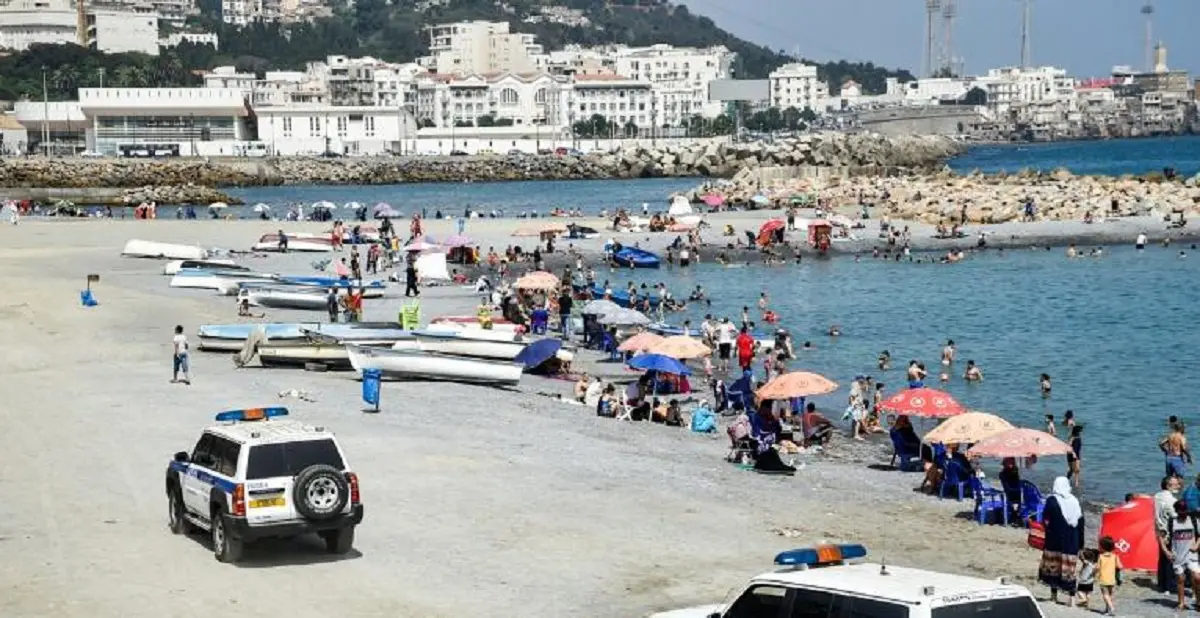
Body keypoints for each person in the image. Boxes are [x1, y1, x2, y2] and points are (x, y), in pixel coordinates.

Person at [1038, 477, 1084, 605]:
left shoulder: (1052, 500)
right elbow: (1080, 522)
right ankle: (1071, 599)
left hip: (1054, 539)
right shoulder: (1074, 501)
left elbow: (1045, 518)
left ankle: (1053, 596)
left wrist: (1047, 529)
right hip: (1071, 540)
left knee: (1053, 568)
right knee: (1069, 570)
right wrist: (1080, 543)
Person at [1163, 500, 1200, 611]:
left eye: (1185, 510)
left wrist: (1196, 546)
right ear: (1176, 511)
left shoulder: (1193, 520)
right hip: (1177, 555)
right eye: (1181, 511)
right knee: (1180, 580)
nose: (1184, 513)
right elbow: (1161, 536)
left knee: (1197, 578)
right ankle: (1181, 603)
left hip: (1191, 555)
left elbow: (1199, 536)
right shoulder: (1172, 522)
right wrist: (1167, 551)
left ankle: (1198, 602)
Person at [1156, 475, 1184, 593]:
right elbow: (1176, 516)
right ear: (1168, 485)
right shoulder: (1172, 501)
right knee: (1170, 558)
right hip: (1169, 531)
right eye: (1176, 484)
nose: (1178, 485)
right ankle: (1168, 586)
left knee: (1162, 557)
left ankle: (1161, 584)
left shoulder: (1157, 496)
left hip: (1159, 529)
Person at [1096, 536, 1122, 615]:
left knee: (1105, 595)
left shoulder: (1100, 557)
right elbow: (1120, 566)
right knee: (1109, 595)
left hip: (1103, 579)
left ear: (1103, 547)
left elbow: (1097, 567)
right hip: (1112, 579)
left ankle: (1111, 608)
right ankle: (1107, 610)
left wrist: (1094, 573)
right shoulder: (1115, 556)